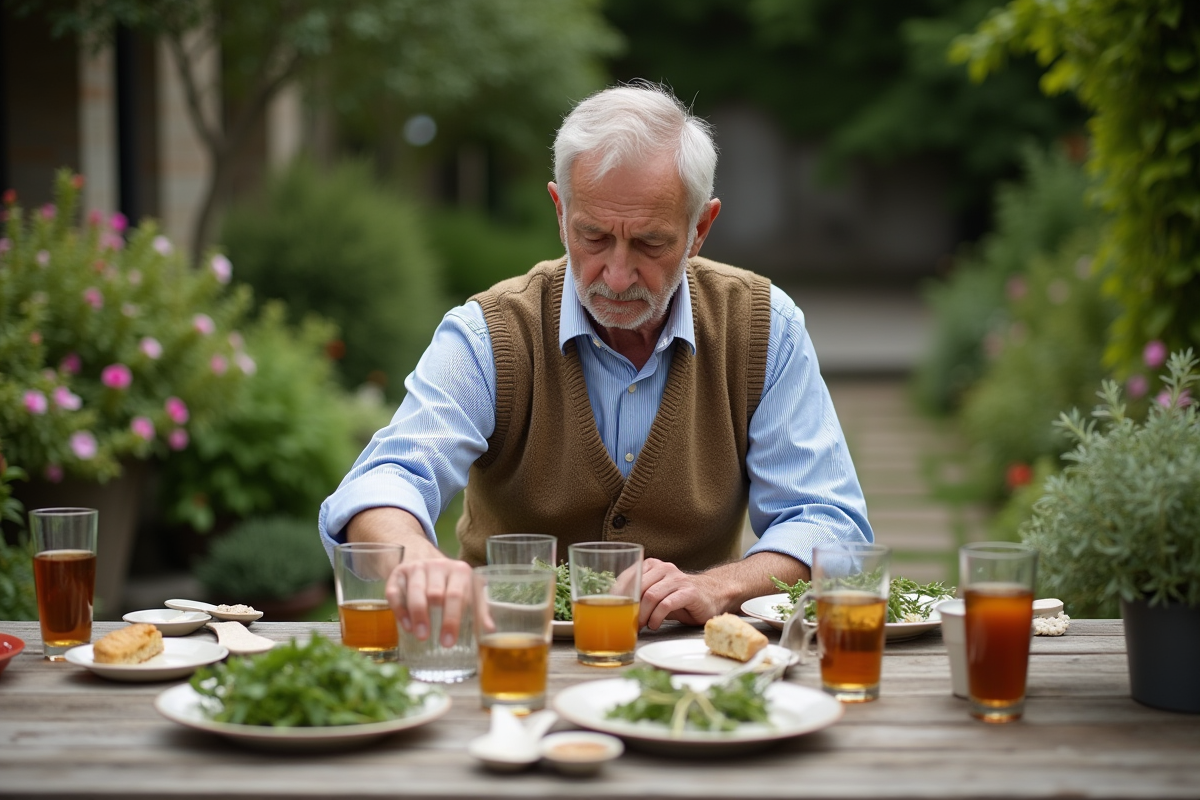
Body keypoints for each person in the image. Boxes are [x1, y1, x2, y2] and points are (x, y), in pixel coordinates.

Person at [318, 82, 872, 648]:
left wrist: (723, 586)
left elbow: (828, 523)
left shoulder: (762, 326)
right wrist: (415, 561)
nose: (616, 275)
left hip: (690, 665)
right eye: (594, 236)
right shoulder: (490, 332)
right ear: (561, 211)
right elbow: (387, 478)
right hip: (512, 652)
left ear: (700, 228)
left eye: (650, 243)